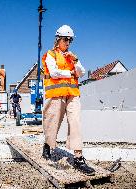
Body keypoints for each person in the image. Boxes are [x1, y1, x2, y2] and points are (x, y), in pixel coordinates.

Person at [41, 25, 95, 175]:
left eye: (70, 40)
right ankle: (47, 144)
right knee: (52, 123)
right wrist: (70, 72)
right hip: (56, 94)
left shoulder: (72, 57)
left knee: (75, 122)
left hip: (72, 93)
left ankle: (78, 158)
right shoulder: (50, 54)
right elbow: (54, 72)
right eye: (65, 39)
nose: (68, 42)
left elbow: (81, 72)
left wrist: (75, 61)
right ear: (58, 39)